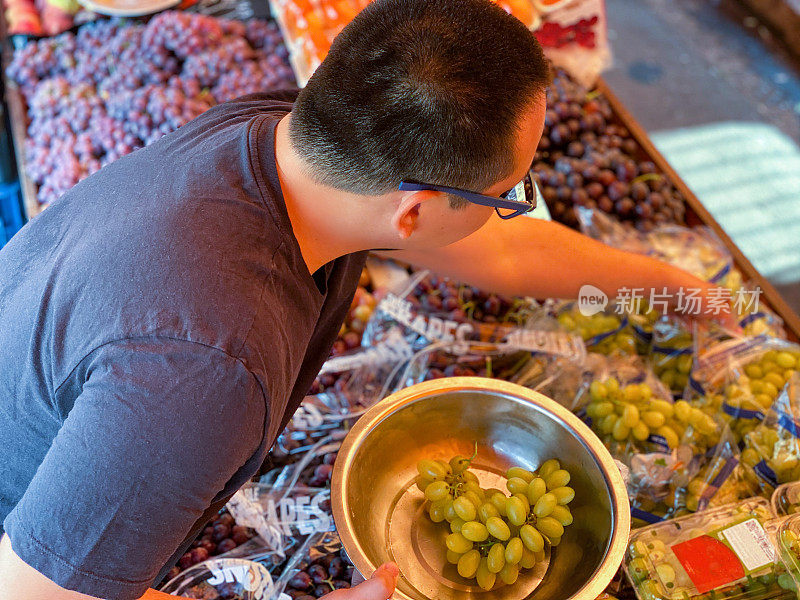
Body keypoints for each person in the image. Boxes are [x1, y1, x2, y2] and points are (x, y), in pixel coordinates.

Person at [0, 0, 721, 598]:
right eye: (507, 195)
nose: (510, 211)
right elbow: (36, 594)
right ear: (413, 211)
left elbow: (498, 248)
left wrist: (669, 287)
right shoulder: (211, 364)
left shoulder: (289, 136)